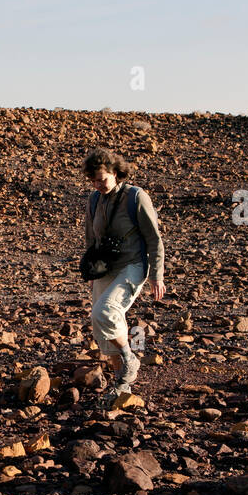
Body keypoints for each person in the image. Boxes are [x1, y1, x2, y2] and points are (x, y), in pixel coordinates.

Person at [81, 147, 166, 395]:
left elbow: (154, 239)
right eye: (93, 180)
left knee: (107, 311)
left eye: (102, 179)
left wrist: (156, 276)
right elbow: (90, 236)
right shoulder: (95, 199)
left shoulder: (136, 197)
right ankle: (122, 383)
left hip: (133, 265)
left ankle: (130, 358)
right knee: (100, 325)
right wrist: (91, 269)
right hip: (106, 266)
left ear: (116, 173)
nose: (98, 185)